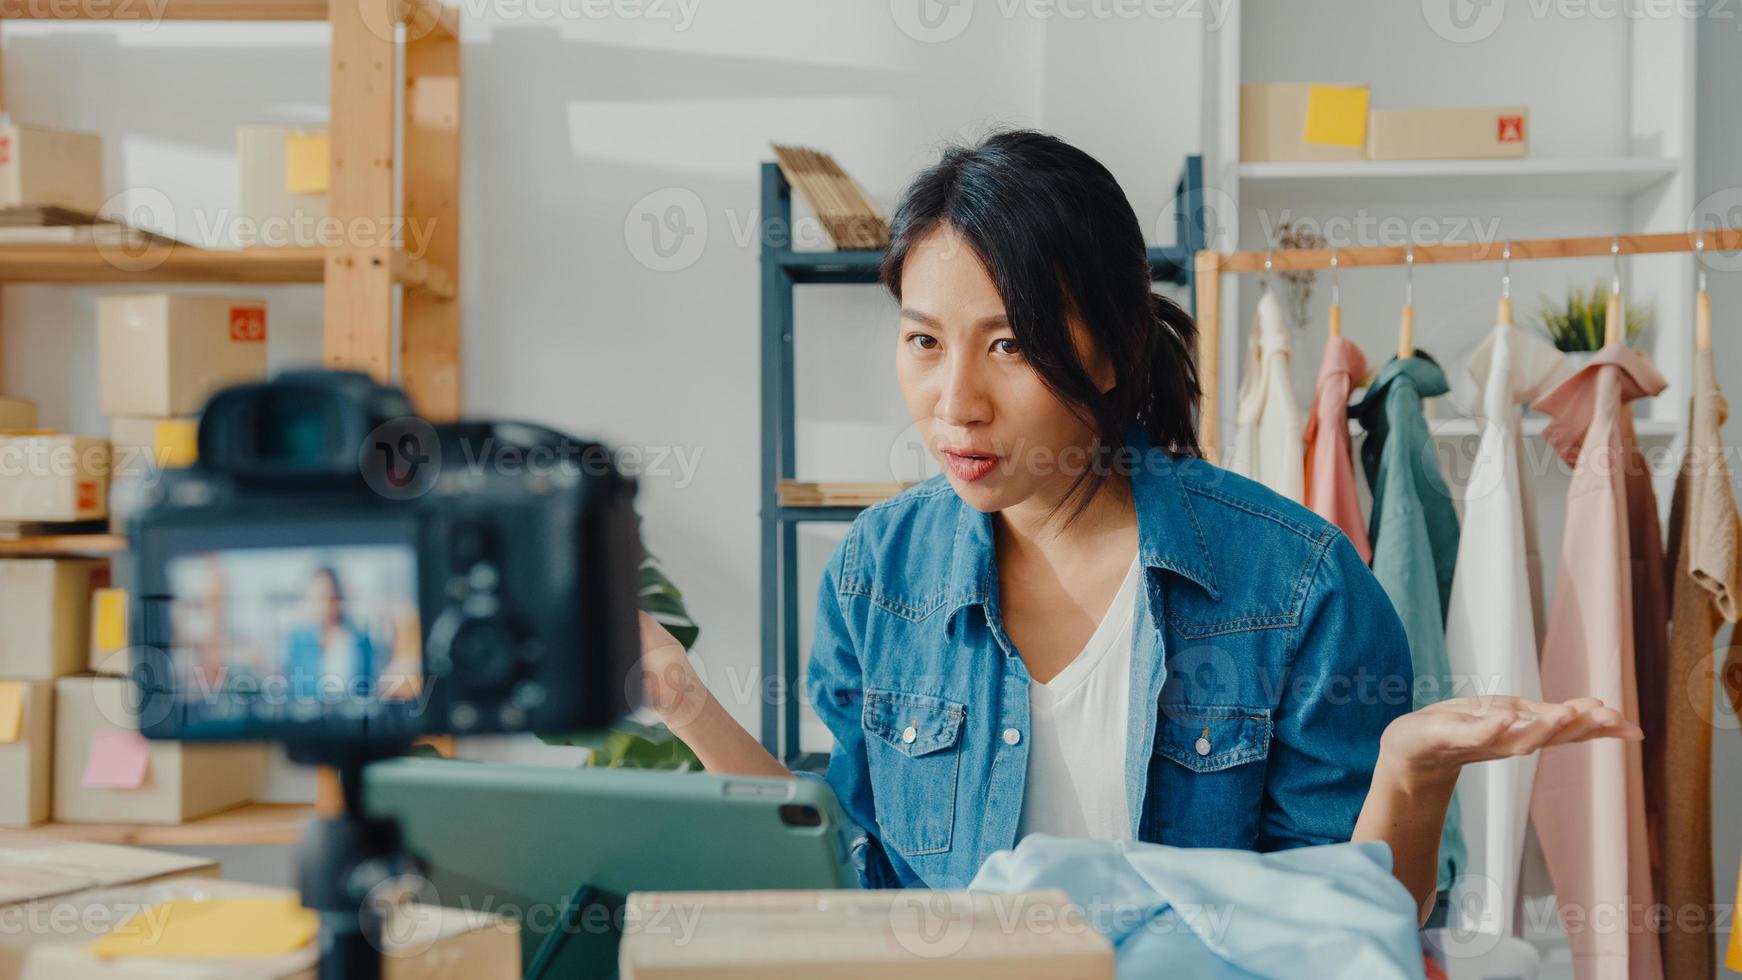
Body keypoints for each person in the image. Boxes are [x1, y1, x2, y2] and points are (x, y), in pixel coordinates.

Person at [637, 130, 1639, 921]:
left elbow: (1348, 927)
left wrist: (1407, 776)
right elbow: (848, 879)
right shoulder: (875, 571)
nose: (954, 400)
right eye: (922, 341)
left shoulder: (1294, 586)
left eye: (1010, 344)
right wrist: (680, 698)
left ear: (1112, 350)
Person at [283, 566, 379, 701]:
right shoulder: (298, 641)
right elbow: (290, 687)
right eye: (318, 597)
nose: (324, 604)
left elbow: (370, 688)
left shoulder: (360, 641)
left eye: (330, 596)